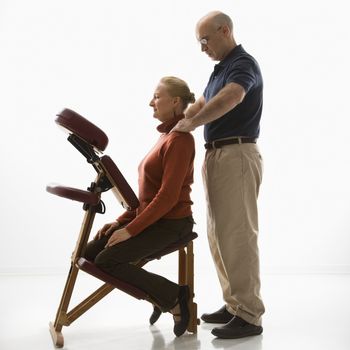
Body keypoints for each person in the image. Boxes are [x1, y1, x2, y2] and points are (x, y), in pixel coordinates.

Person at [172, 11, 265, 339]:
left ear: (224, 30)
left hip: (237, 155)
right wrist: (183, 116)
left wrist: (193, 123)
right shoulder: (220, 70)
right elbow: (203, 101)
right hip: (218, 156)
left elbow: (232, 97)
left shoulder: (243, 64)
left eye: (205, 40)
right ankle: (234, 304)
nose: (202, 48)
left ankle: (250, 315)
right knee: (219, 236)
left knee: (238, 235)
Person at [84, 76, 196, 337]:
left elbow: (167, 198)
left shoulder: (180, 140)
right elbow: (147, 198)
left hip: (173, 224)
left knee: (107, 261)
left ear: (175, 101)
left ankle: (175, 298)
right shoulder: (166, 137)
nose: (150, 103)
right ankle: (161, 297)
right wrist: (120, 222)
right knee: (91, 253)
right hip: (155, 220)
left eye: (157, 96)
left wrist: (130, 230)